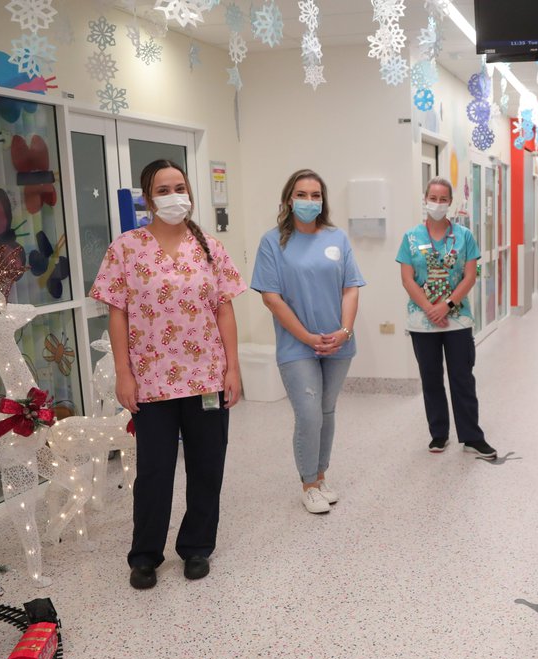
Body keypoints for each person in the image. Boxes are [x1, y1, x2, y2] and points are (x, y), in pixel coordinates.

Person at [91, 158, 245, 590]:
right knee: (155, 470)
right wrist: (124, 373)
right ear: (148, 198)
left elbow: (225, 310)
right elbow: (117, 314)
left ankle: (197, 548)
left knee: (206, 466)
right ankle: (145, 556)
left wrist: (232, 367)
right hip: (152, 381)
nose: (174, 195)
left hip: (207, 378)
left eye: (180, 187)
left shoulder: (210, 248)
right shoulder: (126, 248)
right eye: (163, 189)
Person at [250, 168, 365, 514]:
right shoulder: (273, 242)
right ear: (288, 199)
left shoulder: (337, 238)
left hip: (338, 342)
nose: (309, 201)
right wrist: (308, 337)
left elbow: (351, 287)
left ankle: (321, 474)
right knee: (309, 413)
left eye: (316, 195)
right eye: (302, 194)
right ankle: (308, 484)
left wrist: (343, 332)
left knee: (327, 411)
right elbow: (271, 297)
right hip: (297, 344)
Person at [396, 177, 497, 460]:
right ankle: (438, 434)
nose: (437, 204)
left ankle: (472, 437)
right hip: (422, 321)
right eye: (433, 198)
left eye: (443, 199)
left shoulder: (464, 236)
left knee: (462, 378)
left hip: (457, 319)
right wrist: (430, 308)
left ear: (450, 203)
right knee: (431, 379)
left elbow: (470, 275)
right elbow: (407, 279)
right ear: (425, 199)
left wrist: (448, 305)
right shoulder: (411, 237)